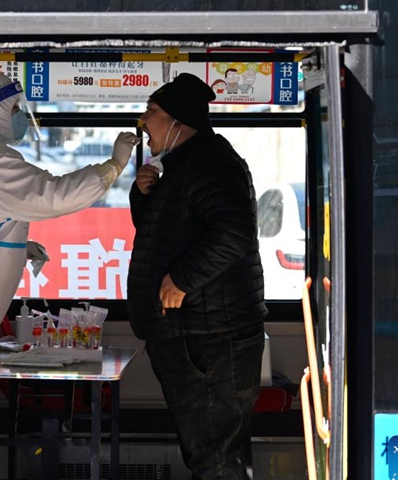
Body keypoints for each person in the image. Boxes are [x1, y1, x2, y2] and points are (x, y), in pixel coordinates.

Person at [127, 73, 267, 480]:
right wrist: (145, 195)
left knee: (217, 456)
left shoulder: (209, 162)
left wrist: (183, 279)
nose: (142, 121)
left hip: (211, 338)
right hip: (196, 333)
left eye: (152, 112)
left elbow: (235, 232)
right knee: (208, 451)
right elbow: (164, 237)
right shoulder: (184, 164)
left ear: (178, 123)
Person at [0, 67, 139, 362]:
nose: (19, 116)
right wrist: (113, 166)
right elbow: (53, 196)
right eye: (13, 108)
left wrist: (16, 247)